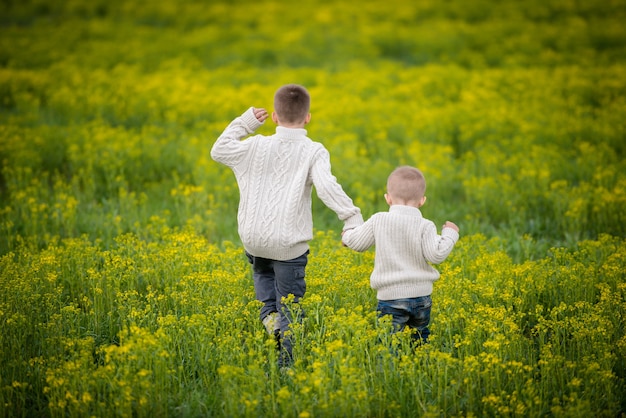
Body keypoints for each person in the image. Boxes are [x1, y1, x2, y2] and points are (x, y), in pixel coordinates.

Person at [211, 84, 363, 366]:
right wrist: (352, 218)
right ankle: (286, 363)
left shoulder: (255, 144)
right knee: (291, 304)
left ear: (274, 117)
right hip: (288, 246)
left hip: (253, 238)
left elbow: (218, 151)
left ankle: (269, 317)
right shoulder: (313, 150)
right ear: (308, 118)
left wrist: (244, 123)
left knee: (263, 276)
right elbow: (328, 187)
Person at [341, 165, 459, 345]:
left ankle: (388, 372)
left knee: (388, 345)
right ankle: (422, 368)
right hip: (421, 297)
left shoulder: (379, 219)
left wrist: (347, 236)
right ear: (422, 201)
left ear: (387, 199)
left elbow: (358, 243)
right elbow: (436, 255)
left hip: (390, 297)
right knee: (419, 340)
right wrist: (450, 234)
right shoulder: (425, 225)